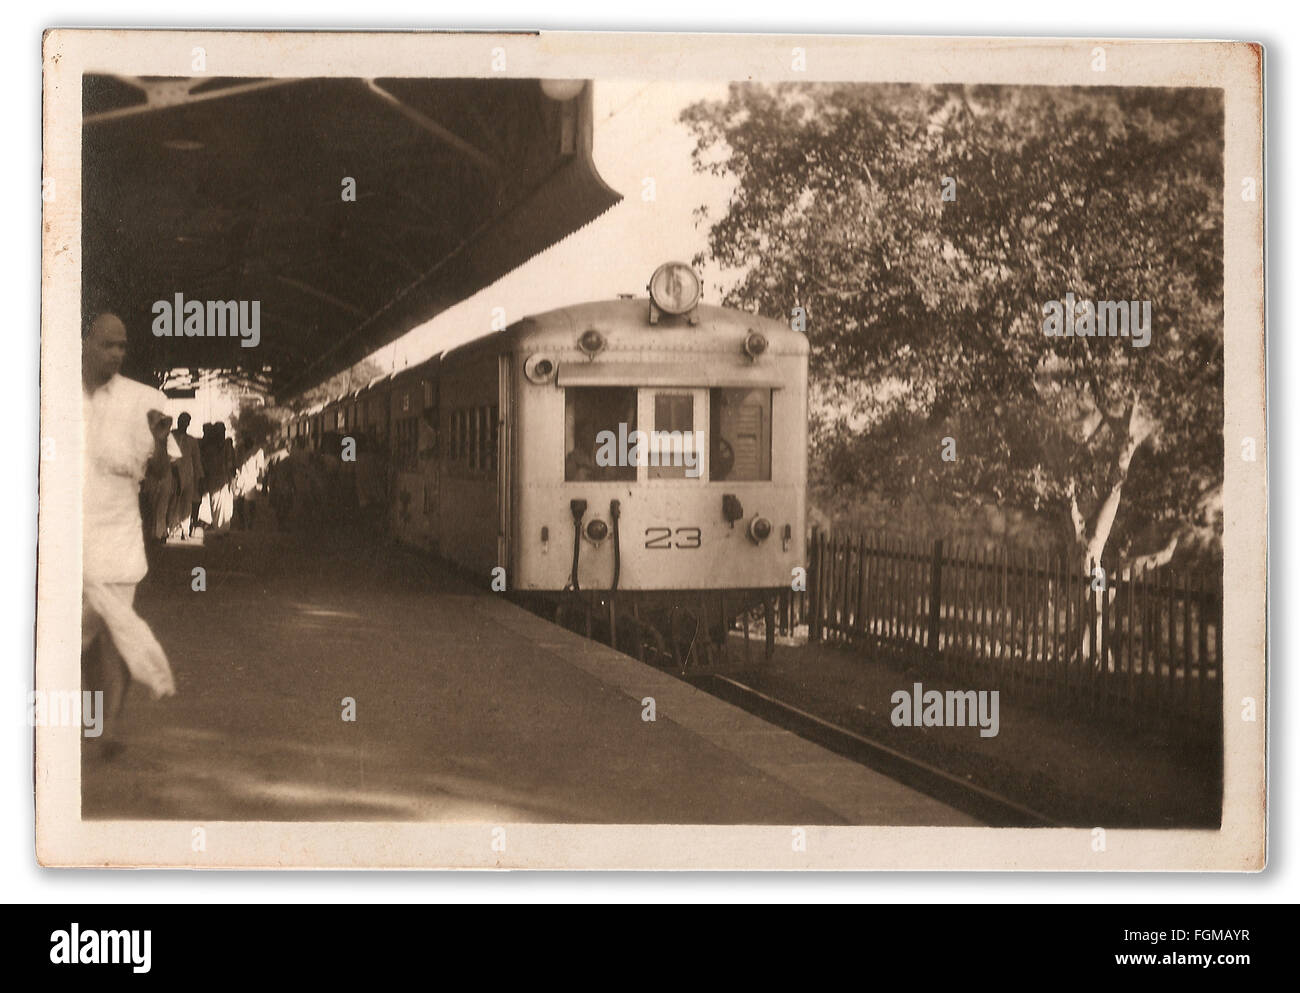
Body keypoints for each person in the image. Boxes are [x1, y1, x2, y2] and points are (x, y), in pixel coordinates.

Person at [81, 313, 177, 754]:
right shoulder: (53, 393)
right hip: (66, 535)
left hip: (117, 536)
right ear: (86, 343)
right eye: (108, 345)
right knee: (77, 637)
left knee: (115, 633)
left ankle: (108, 730)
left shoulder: (144, 400)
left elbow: (160, 474)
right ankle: (92, 717)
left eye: (123, 346)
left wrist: (159, 441)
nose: (117, 354)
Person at [168, 412, 204, 538]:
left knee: (187, 503)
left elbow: (197, 460)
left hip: (188, 474)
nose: (183, 423)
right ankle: (171, 528)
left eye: (185, 422)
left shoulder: (192, 441)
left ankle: (185, 530)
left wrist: (200, 478)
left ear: (188, 424)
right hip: (173, 474)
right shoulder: (170, 436)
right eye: (181, 421)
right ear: (178, 421)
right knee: (173, 501)